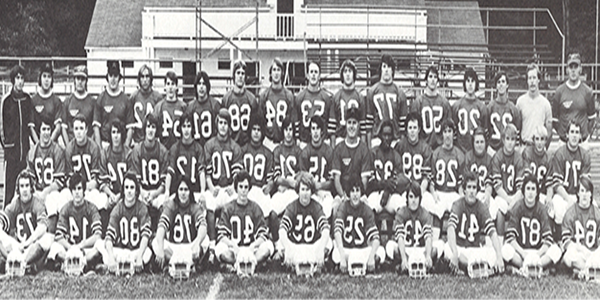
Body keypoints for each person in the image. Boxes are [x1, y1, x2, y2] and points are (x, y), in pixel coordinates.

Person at [444, 171, 504, 276]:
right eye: (469, 187)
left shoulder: (481, 207)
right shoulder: (458, 204)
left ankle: (471, 267)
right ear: (464, 190)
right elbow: (451, 229)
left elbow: (492, 232)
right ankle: (481, 268)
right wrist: (455, 252)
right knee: (447, 249)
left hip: (475, 249)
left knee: (493, 253)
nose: (471, 191)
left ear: (477, 190)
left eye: (474, 188)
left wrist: (499, 257)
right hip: (460, 248)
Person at [202, 108, 243, 255]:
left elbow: (237, 171)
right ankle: (212, 245)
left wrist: (233, 185)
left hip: (228, 187)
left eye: (226, 123)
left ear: (229, 126)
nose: (223, 126)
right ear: (216, 124)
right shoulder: (209, 145)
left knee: (236, 204)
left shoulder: (234, 146)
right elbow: (207, 171)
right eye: (220, 123)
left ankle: (232, 242)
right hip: (215, 187)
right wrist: (211, 187)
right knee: (210, 204)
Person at [215, 171, 273, 271]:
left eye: (246, 187)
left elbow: (263, 234)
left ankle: (243, 263)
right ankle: (247, 263)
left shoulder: (255, 207)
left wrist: (252, 246)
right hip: (234, 250)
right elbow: (221, 235)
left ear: (249, 188)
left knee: (268, 246)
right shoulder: (228, 208)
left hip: (251, 249)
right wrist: (233, 245)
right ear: (236, 188)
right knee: (219, 249)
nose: (243, 190)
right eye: (240, 187)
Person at [502, 176, 561, 273]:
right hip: (521, 252)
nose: (530, 192)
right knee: (505, 249)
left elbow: (548, 239)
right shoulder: (517, 207)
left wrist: (538, 254)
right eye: (528, 188)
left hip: (538, 252)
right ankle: (533, 267)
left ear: (537, 192)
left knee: (556, 250)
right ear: (523, 191)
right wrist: (523, 253)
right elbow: (510, 237)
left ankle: (526, 268)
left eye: (533, 189)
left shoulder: (542, 209)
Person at [46, 172, 103, 272]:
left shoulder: (91, 208)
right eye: (74, 189)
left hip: (85, 249)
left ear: (84, 190)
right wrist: (71, 248)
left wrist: (81, 245)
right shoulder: (66, 208)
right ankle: (82, 264)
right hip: (70, 249)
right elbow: (59, 236)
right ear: (71, 191)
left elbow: (97, 235)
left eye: (79, 188)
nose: (77, 192)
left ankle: (74, 263)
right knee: (55, 247)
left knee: (100, 245)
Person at [98, 173, 152, 274]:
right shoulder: (117, 209)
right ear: (123, 190)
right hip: (121, 250)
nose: (129, 191)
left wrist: (140, 256)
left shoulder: (142, 208)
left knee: (147, 252)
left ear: (136, 191)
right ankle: (116, 266)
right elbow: (109, 237)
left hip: (136, 250)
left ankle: (114, 268)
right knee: (102, 247)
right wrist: (110, 257)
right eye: (126, 187)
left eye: (132, 187)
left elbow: (145, 235)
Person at [0, 170, 51, 273]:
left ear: (31, 187)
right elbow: (2, 221)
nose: (24, 189)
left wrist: (28, 242)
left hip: (32, 246)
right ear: (18, 189)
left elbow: (43, 227)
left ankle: (22, 263)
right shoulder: (14, 204)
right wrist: (17, 245)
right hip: (17, 246)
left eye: (27, 185)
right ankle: (11, 261)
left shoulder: (37, 203)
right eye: (22, 186)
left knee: (47, 239)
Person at [153, 177, 208, 272]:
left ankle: (173, 263)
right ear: (177, 191)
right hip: (173, 247)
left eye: (186, 190)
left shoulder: (194, 207)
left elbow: (203, 226)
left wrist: (197, 243)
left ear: (190, 192)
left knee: (205, 240)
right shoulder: (171, 205)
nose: (183, 193)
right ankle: (188, 264)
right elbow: (161, 227)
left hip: (189, 247)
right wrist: (161, 249)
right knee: (156, 242)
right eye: (181, 189)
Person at [387, 181, 444, 273]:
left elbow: (428, 237)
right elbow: (400, 238)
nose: (413, 200)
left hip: (421, 250)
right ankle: (410, 263)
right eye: (411, 197)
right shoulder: (401, 212)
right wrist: (404, 258)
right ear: (407, 198)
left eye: (416, 197)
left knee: (440, 245)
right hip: (407, 249)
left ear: (420, 198)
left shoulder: (425, 213)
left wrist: (428, 255)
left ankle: (411, 265)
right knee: (390, 246)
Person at [278, 172, 330, 269]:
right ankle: (304, 263)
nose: (305, 193)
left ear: (312, 191)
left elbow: (326, 229)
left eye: (307, 190)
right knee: (280, 244)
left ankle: (308, 263)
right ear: (298, 191)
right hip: (296, 246)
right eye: (302, 189)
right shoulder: (292, 206)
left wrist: (320, 248)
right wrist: (288, 248)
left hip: (312, 246)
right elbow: (282, 230)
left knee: (329, 242)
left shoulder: (316, 207)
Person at [332, 176, 384, 273]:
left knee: (380, 251)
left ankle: (362, 263)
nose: (355, 194)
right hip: (347, 249)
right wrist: (342, 256)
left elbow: (376, 238)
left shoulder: (366, 209)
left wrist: (372, 257)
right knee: (335, 252)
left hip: (362, 249)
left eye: (357, 191)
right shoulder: (343, 207)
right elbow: (337, 232)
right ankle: (347, 263)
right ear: (348, 193)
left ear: (361, 192)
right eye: (352, 191)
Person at [26, 117, 68, 235]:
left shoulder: (57, 150)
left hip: (52, 190)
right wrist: (35, 192)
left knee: (52, 201)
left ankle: (51, 234)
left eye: (49, 129)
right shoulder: (33, 151)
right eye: (43, 129)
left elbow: (60, 181)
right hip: (37, 189)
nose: (46, 132)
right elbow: (30, 177)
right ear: (39, 131)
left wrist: (46, 191)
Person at [127, 113, 168, 227]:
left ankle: (160, 235)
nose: (150, 130)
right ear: (144, 129)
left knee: (165, 203)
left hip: (157, 191)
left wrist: (155, 193)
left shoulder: (162, 151)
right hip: (142, 190)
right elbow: (135, 179)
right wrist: (143, 192)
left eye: (153, 127)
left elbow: (164, 183)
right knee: (132, 200)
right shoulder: (137, 149)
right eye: (148, 126)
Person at [64, 114, 109, 215]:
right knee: (63, 197)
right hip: (74, 189)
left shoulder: (94, 147)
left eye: (81, 128)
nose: (79, 132)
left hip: (89, 188)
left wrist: (83, 188)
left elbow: (96, 180)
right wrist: (77, 189)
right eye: (76, 129)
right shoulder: (69, 149)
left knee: (102, 199)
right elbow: (68, 179)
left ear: (86, 130)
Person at [1, 65, 33, 206]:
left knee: (24, 188)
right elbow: (1, 126)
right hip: (11, 153)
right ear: (13, 80)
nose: (20, 81)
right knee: (9, 190)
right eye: (17, 78)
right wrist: (7, 146)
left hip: (24, 152)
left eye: (22, 78)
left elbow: (30, 125)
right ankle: (5, 222)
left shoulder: (27, 99)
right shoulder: (6, 101)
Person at [548, 120, 591, 226]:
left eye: (577, 132)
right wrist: (568, 199)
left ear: (580, 136)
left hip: (579, 194)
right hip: (563, 194)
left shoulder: (584, 155)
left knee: (592, 206)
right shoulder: (560, 154)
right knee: (558, 206)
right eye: (572, 132)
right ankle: (559, 239)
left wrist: (579, 198)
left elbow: (585, 184)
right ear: (567, 135)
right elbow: (557, 185)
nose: (574, 135)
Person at [424, 119, 464, 226]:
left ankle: (456, 240)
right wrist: (433, 192)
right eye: (445, 131)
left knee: (460, 209)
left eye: (449, 131)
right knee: (437, 210)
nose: (447, 135)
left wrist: (461, 195)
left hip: (452, 193)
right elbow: (432, 179)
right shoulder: (436, 153)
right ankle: (436, 241)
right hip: (440, 192)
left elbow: (460, 181)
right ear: (442, 134)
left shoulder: (459, 154)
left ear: (453, 134)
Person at [490, 123, 526, 241]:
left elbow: (521, 187)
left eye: (513, 139)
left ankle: (519, 242)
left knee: (521, 208)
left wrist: (514, 199)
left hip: (516, 196)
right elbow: (497, 186)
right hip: (503, 196)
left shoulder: (519, 158)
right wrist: (508, 200)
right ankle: (500, 243)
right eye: (508, 139)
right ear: (503, 139)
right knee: (500, 210)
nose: (510, 142)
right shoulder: (497, 157)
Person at [552, 53, 596, 145]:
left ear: (580, 69)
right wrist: (563, 134)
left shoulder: (587, 92)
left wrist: (584, 135)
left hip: (582, 142)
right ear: (567, 69)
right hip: (564, 142)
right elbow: (555, 120)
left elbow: (592, 119)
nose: (573, 70)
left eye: (575, 67)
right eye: (570, 67)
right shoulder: (559, 92)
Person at [331, 108, 372, 206]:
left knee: (368, 206)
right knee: (335, 206)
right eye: (349, 122)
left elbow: (364, 180)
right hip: (343, 194)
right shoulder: (339, 148)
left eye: (354, 123)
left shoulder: (364, 149)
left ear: (358, 125)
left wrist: (356, 196)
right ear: (345, 125)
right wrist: (343, 196)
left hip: (359, 194)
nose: (352, 126)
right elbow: (337, 179)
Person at [561, 176, 600, 278]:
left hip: (593, 253)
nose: (584, 195)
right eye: (582, 191)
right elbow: (566, 241)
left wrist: (594, 253)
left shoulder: (597, 212)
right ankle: (591, 271)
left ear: (591, 194)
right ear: (577, 193)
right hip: (579, 253)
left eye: (587, 191)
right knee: (569, 256)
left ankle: (583, 271)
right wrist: (579, 248)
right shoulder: (571, 212)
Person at [365, 54, 408, 147]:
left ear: (393, 70)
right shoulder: (372, 91)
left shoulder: (400, 93)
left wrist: (402, 144)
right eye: (384, 66)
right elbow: (368, 124)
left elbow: (403, 125)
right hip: (377, 138)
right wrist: (369, 146)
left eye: (389, 66)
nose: (387, 69)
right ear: (380, 69)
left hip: (395, 139)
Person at [366, 120, 408, 214]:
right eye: (384, 135)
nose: (387, 138)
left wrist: (387, 190)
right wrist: (384, 184)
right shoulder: (373, 153)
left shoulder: (396, 155)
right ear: (380, 135)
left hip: (391, 194)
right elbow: (369, 184)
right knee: (369, 208)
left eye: (389, 135)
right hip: (375, 193)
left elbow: (401, 179)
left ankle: (399, 228)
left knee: (401, 206)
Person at [298, 116, 335, 218]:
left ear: (322, 131)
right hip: (310, 191)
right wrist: (314, 188)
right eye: (313, 128)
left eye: (317, 128)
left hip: (325, 192)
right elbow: (303, 179)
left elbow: (332, 182)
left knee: (327, 210)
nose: (315, 132)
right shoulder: (305, 152)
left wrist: (321, 186)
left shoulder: (329, 151)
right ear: (310, 131)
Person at [164, 112, 206, 202]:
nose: (186, 130)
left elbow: (201, 172)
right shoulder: (175, 148)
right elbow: (170, 172)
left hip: (195, 190)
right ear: (180, 128)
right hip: (179, 192)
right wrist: (167, 192)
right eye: (184, 126)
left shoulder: (198, 148)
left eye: (189, 126)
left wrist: (203, 191)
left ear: (192, 128)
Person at [394, 112, 433, 206]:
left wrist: (420, 192)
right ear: (406, 129)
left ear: (419, 129)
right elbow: (396, 173)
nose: (412, 131)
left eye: (415, 128)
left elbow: (426, 178)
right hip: (403, 189)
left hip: (419, 188)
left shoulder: (425, 148)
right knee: (398, 203)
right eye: (410, 128)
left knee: (430, 203)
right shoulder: (400, 146)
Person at [410, 66, 452, 150]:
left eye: (435, 77)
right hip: (423, 147)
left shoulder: (444, 103)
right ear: (426, 80)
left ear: (437, 81)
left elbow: (449, 127)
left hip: (440, 147)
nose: (433, 80)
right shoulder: (418, 102)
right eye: (430, 76)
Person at [94, 60, 133, 148]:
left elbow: (130, 128)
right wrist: (100, 149)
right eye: (111, 75)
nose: (113, 79)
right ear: (107, 77)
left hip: (121, 145)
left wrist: (126, 147)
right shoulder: (101, 98)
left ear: (119, 77)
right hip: (105, 143)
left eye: (115, 76)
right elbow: (96, 127)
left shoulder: (126, 100)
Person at [258, 58, 294, 151]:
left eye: (279, 70)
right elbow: (261, 120)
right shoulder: (264, 95)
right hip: (268, 141)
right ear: (270, 73)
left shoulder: (288, 95)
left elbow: (291, 120)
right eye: (274, 70)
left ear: (282, 73)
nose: (276, 73)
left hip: (284, 141)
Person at [329, 59, 367, 146]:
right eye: (345, 71)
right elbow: (332, 128)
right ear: (342, 75)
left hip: (356, 140)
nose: (348, 74)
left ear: (354, 74)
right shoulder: (336, 96)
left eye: (350, 71)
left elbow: (363, 127)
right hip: (341, 139)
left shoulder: (359, 97)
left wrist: (363, 147)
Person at [294, 61, 332, 147]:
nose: (313, 75)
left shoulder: (326, 98)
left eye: (316, 72)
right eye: (311, 72)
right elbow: (296, 122)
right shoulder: (300, 97)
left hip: (321, 144)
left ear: (319, 76)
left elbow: (328, 123)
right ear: (307, 75)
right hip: (304, 142)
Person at [222, 60, 257, 147]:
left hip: (248, 145)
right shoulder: (226, 98)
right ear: (234, 75)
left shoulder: (251, 99)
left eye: (242, 73)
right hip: (231, 144)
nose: (240, 76)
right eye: (238, 73)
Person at [270, 117, 302, 215]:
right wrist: (287, 183)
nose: (288, 133)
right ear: (282, 131)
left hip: (293, 192)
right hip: (281, 191)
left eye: (290, 130)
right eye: (286, 130)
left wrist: (287, 184)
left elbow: (300, 175)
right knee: (272, 212)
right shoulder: (277, 150)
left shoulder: (298, 151)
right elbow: (276, 178)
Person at [452, 68, 488, 153]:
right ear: (464, 83)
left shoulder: (482, 107)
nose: (470, 84)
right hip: (460, 150)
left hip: (476, 151)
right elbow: (454, 132)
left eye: (473, 81)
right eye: (468, 81)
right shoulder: (456, 106)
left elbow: (485, 133)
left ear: (476, 84)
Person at [516, 63, 552, 148]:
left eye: (534, 77)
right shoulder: (520, 102)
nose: (532, 81)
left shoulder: (545, 104)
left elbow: (549, 131)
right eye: (530, 78)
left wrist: (544, 148)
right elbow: (518, 126)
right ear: (527, 81)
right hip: (525, 145)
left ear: (538, 80)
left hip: (539, 148)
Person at [487, 71, 521, 154]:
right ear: (496, 86)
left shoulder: (513, 108)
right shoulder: (490, 107)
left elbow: (517, 133)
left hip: (508, 151)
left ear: (507, 85)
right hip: (493, 150)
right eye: (498, 82)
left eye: (503, 81)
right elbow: (486, 131)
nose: (501, 84)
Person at [185, 70, 221, 147]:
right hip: (195, 149)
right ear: (196, 86)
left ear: (207, 86)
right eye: (199, 84)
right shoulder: (190, 107)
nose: (201, 87)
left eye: (204, 84)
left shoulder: (215, 105)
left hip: (212, 148)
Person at [128, 65, 162, 145]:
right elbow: (130, 121)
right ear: (139, 79)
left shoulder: (157, 97)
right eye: (142, 77)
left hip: (152, 142)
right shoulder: (133, 97)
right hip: (137, 142)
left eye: (147, 76)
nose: (145, 80)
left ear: (151, 79)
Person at [61, 65, 96, 144]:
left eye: (82, 79)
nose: (80, 82)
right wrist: (68, 147)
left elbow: (95, 128)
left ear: (86, 81)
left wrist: (90, 145)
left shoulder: (93, 102)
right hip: (71, 144)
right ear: (74, 80)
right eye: (78, 78)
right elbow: (63, 128)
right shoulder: (67, 101)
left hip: (88, 145)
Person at [30, 63, 62, 145]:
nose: (46, 80)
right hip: (37, 145)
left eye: (49, 76)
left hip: (53, 146)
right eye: (44, 76)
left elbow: (58, 128)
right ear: (40, 78)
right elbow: (31, 127)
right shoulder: (33, 100)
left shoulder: (56, 101)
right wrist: (39, 146)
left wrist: (48, 145)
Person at [153, 70, 186, 149]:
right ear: (165, 87)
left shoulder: (183, 106)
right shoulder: (159, 107)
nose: (170, 87)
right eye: (168, 84)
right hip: (164, 149)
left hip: (180, 150)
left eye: (173, 84)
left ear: (176, 87)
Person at [521, 125, 551, 203]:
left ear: (546, 141)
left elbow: (549, 184)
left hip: (541, 193)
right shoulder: (527, 153)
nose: (539, 143)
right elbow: (526, 179)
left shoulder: (548, 158)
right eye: (537, 139)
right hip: (528, 192)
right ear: (533, 140)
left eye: (542, 139)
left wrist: (548, 198)